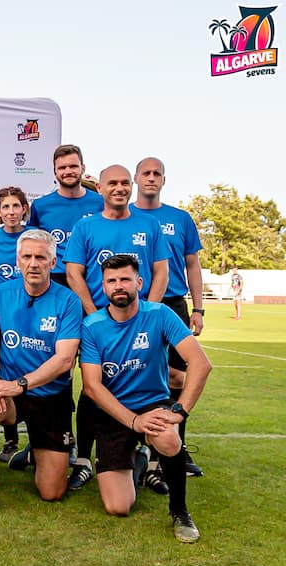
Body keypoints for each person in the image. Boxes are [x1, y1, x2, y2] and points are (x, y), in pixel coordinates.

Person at [80, 255, 211, 543]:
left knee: (168, 438)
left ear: (139, 282)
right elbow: (91, 386)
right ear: (103, 287)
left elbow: (201, 363)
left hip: (153, 405)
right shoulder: (92, 325)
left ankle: (179, 511)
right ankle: (139, 460)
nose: (119, 286)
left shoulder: (160, 314)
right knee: (118, 507)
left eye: (125, 279)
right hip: (114, 412)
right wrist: (134, 421)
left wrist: (179, 412)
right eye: (112, 281)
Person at [63, 164, 170, 492]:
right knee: (91, 386)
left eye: (125, 182)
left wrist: (147, 315)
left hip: (141, 321)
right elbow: (74, 274)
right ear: (101, 188)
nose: (120, 188)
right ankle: (83, 459)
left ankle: (153, 460)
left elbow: (161, 272)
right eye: (113, 183)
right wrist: (97, 316)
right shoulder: (86, 226)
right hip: (98, 323)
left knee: (149, 382)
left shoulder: (149, 225)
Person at [0, 230, 81, 502]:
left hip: (50, 397)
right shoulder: (1, 294)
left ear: (53, 263)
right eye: (27, 257)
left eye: (41, 258)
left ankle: (36, 451)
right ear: (18, 261)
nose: (34, 263)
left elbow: (65, 359)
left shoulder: (68, 300)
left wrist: (20, 384)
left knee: (52, 493)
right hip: (12, 393)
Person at [133, 157, 206, 482]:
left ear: (164, 180)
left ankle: (176, 444)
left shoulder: (180, 219)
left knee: (177, 378)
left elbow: (192, 264)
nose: (151, 178)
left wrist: (198, 308)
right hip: (130, 308)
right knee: (134, 377)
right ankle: (138, 447)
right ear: (136, 178)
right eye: (145, 173)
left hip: (173, 305)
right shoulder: (125, 216)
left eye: (156, 174)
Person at [0, 185, 30, 462]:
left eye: (16, 206)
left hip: (30, 309)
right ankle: (11, 438)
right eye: (5, 207)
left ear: (24, 208)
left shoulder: (34, 236)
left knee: (29, 366)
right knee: (6, 367)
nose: (11, 211)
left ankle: (39, 433)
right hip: (1, 309)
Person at [26, 144, 104, 288]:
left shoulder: (100, 203)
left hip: (92, 276)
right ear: (55, 172)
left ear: (83, 168)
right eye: (62, 168)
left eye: (73, 166)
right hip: (55, 279)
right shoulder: (40, 205)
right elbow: (29, 243)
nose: (68, 171)